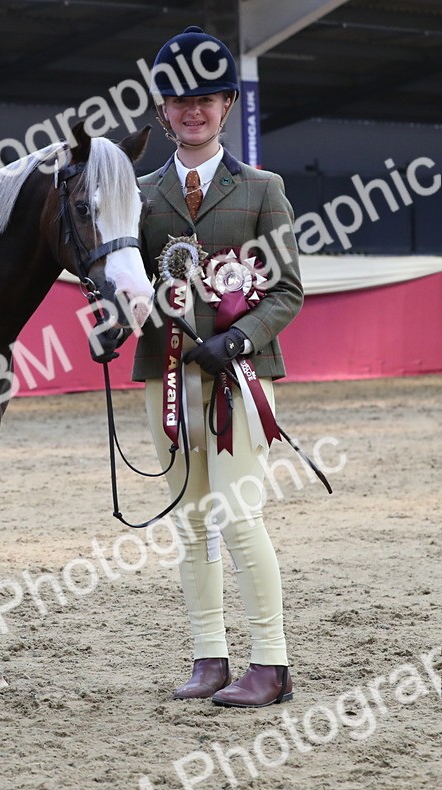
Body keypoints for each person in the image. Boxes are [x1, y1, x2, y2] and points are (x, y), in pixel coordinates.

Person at [131, 26, 304, 707]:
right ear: (163, 108)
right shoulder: (139, 193)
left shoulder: (263, 189)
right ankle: (209, 656)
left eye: (206, 99)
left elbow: (288, 288)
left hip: (236, 377)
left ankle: (272, 662)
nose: (192, 110)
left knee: (239, 514)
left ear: (228, 105)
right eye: (179, 99)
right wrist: (111, 319)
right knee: (190, 519)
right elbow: (125, 279)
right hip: (165, 377)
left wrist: (238, 341)